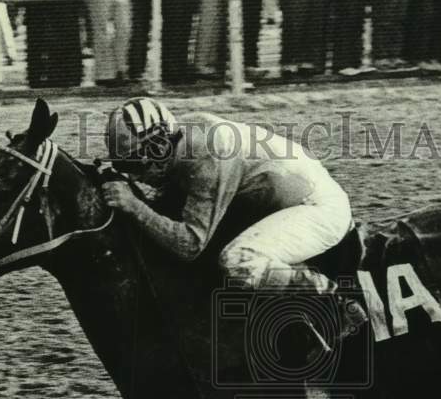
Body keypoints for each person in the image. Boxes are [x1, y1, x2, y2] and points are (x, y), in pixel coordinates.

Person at [100, 97, 368, 361]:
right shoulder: (186, 142)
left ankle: (334, 304)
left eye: (132, 165)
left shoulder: (207, 154)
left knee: (239, 260)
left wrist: (135, 207)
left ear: (158, 147)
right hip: (290, 199)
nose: (132, 176)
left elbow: (190, 246)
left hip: (318, 208)